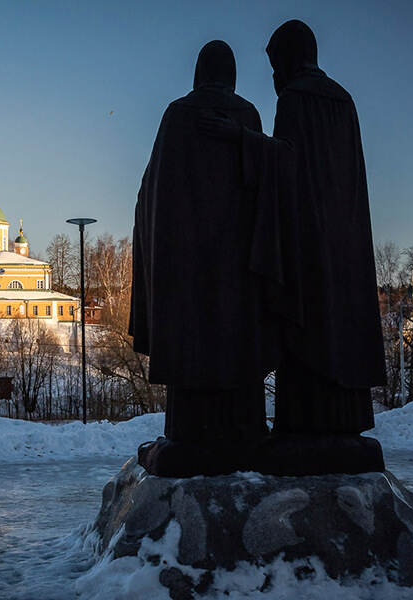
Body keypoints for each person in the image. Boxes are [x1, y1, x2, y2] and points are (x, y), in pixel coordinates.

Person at [200, 20, 386, 475]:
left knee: (309, 323)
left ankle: (305, 423)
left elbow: (287, 161)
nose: (273, 77)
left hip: (308, 237)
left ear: (287, 57)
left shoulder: (296, 97)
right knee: (339, 322)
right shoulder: (343, 100)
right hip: (344, 235)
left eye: (273, 65)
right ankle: (345, 421)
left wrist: (240, 138)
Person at [130, 40, 278, 477]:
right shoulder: (247, 115)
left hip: (187, 267)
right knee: (238, 343)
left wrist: (160, 246)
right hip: (238, 265)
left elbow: (150, 194)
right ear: (231, 74)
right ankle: (244, 427)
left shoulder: (178, 115)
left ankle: (190, 433)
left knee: (192, 346)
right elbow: (266, 182)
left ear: (198, 72)